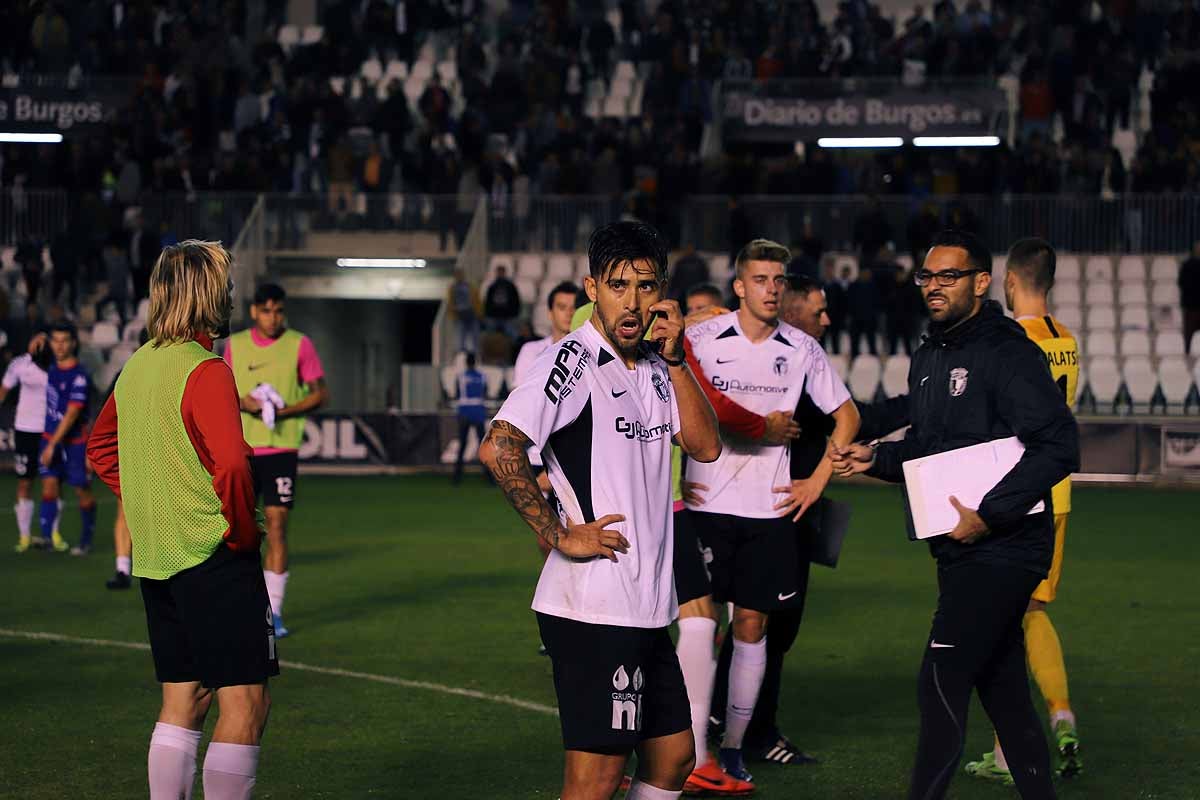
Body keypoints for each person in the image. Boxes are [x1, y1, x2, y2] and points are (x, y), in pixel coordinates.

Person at [831, 229, 1079, 800]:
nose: (933, 286)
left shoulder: (1006, 350)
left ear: (983, 282)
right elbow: (927, 448)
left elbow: (1060, 445)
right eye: (926, 276)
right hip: (959, 547)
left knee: (940, 678)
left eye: (948, 276)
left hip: (1005, 546)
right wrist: (874, 457)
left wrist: (991, 515)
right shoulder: (930, 354)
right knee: (1004, 688)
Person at [479, 220, 722, 800]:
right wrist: (560, 534)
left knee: (673, 757)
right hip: (593, 609)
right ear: (593, 288)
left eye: (644, 285)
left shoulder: (660, 367)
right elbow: (500, 445)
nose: (632, 301)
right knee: (597, 780)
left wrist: (681, 360)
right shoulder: (573, 361)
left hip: (644, 605)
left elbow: (706, 447)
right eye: (618, 285)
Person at [88, 239, 275, 800]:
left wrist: (152, 496)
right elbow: (235, 467)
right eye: (225, 281)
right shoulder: (206, 368)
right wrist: (240, 533)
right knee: (244, 703)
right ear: (209, 292)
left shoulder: (137, 365)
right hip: (214, 552)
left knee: (182, 699)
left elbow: (100, 448)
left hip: (159, 558)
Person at [685, 239, 859, 783]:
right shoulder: (702, 337)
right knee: (699, 624)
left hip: (769, 511)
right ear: (740, 285)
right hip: (705, 504)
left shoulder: (802, 349)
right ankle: (693, 749)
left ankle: (734, 746)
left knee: (753, 628)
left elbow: (847, 416)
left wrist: (817, 480)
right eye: (760, 279)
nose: (771, 288)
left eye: (778, 280)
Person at [964, 237, 1084, 784]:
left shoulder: (1012, 342)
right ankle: (1058, 714)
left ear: (1010, 282)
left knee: (1000, 618)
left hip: (1018, 496)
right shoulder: (1068, 342)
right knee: (1031, 611)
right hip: (1058, 494)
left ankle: (1012, 750)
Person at [225, 283, 328, 639]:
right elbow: (222, 392)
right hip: (241, 451)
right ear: (253, 311)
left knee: (277, 526)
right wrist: (245, 402)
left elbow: (320, 394)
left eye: (278, 311)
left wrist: (285, 411)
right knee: (238, 531)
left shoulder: (300, 344)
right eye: (266, 310)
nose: (273, 317)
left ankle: (275, 612)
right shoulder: (235, 345)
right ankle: (238, 605)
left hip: (282, 451)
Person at [38, 322, 98, 555]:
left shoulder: (79, 376)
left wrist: (52, 444)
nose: (59, 345)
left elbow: (73, 413)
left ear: (73, 343)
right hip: (50, 438)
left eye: (64, 340)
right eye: (55, 340)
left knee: (81, 489)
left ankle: (85, 539)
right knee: (49, 486)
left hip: (74, 443)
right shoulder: (50, 367)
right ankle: (47, 539)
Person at [2, 333, 50, 552]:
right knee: (25, 482)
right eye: (36, 339)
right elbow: (3, 390)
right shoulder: (19, 364)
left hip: (50, 432)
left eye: (43, 341)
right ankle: (24, 536)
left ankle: (52, 535)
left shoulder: (56, 365)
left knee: (52, 483)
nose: (38, 343)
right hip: (25, 431)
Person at [452, 353, 487, 484]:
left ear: (466, 363)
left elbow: (456, 394)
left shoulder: (461, 377)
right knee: (482, 445)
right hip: (478, 410)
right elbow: (485, 393)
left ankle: (457, 477)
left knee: (462, 444)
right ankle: (488, 477)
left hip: (464, 411)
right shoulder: (482, 376)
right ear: (475, 362)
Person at [847, 266, 880, 357]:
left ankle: (874, 360)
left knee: (872, 342)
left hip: (870, 318)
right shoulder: (853, 286)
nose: (866, 275)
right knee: (855, 343)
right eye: (864, 273)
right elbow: (849, 302)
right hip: (856, 318)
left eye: (868, 273)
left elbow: (877, 302)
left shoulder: (874, 287)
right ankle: (853, 361)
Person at [447, 269, 482, 354]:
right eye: (457, 275)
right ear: (455, 277)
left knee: (475, 333)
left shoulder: (470, 286)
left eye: (460, 275)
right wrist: (453, 311)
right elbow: (451, 301)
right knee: (461, 334)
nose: (459, 277)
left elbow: (476, 299)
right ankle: (461, 351)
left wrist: (479, 312)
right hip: (460, 314)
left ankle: (476, 350)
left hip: (471, 313)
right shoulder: (452, 288)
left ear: (463, 276)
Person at [483, 265, 521, 337]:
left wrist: (514, 314)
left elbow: (516, 301)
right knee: (489, 336)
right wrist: (488, 314)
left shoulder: (510, 286)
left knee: (513, 335)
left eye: (501, 272)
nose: (500, 274)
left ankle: (516, 347)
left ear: (504, 273)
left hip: (508, 316)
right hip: (494, 316)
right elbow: (488, 302)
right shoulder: (492, 286)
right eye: (498, 272)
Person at [1181, 241, 1200, 354]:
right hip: (1191, 305)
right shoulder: (1187, 265)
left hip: (1193, 304)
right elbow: (1182, 282)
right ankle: (1187, 352)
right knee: (1189, 331)